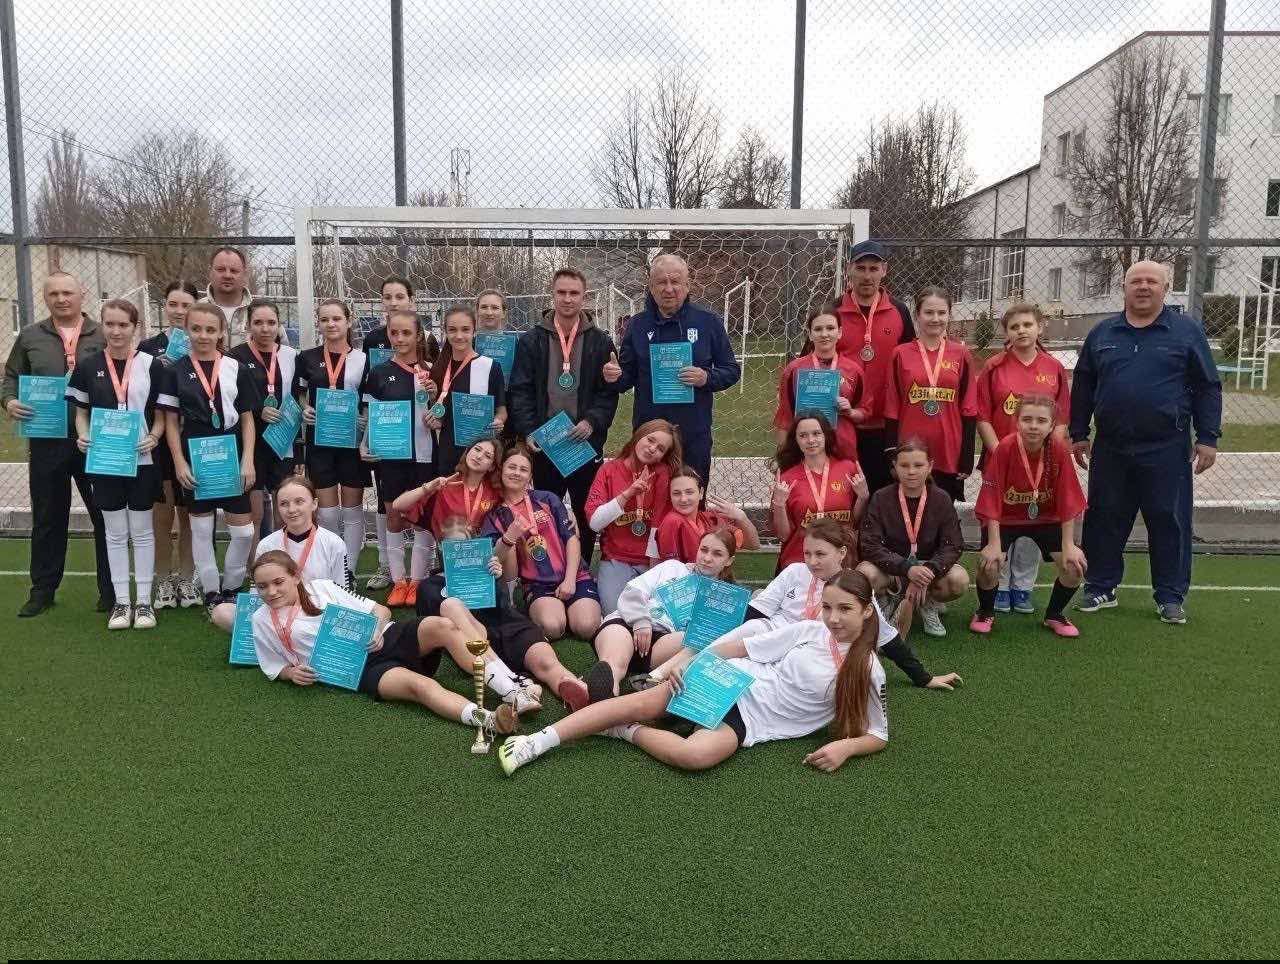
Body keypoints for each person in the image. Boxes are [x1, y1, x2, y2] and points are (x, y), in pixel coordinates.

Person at [499, 569, 889, 776]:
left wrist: (845, 747)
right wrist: (689, 661)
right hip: (730, 681)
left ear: (867, 610)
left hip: (754, 721)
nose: (833, 618)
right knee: (642, 703)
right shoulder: (810, 630)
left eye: (845, 609)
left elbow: (878, 734)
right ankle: (535, 742)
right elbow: (742, 647)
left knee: (695, 755)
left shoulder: (870, 669)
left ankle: (622, 731)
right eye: (827, 608)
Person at [1070, 260, 1221, 625]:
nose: (1143, 286)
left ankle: (1170, 595)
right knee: (1105, 517)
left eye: (1152, 281)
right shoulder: (1102, 333)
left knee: (1169, 520)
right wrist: (1078, 433)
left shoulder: (1186, 332)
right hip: (1112, 447)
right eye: (1135, 281)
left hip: (1167, 447)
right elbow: (1084, 385)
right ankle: (1101, 587)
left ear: (1165, 288)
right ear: (1124, 288)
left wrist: (1208, 437)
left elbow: (1207, 386)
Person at [646, 519, 960, 692]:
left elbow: (887, 638)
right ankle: (661, 677)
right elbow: (757, 612)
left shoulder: (852, 586)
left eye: (820, 554)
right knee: (750, 628)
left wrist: (924, 677)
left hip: (804, 653)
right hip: (769, 636)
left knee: (742, 676)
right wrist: (719, 629)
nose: (812, 561)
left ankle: (678, 686)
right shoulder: (794, 572)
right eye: (808, 553)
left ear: (841, 553)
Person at [248, 550, 517, 737]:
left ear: (296, 576)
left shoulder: (322, 588)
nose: (271, 591)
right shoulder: (261, 619)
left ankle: (511, 691)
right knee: (420, 687)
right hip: (360, 670)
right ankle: (489, 720)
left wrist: (376, 631)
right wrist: (291, 673)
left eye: (278, 582)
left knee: (443, 626)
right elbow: (274, 665)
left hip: (387, 637)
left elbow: (381, 610)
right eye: (262, 586)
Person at [3, 271, 114, 617]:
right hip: (46, 440)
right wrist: (9, 401)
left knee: (104, 515)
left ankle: (110, 592)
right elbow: (11, 377)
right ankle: (42, 591)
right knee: (48, 517)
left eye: (68, 292)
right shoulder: (30, 336)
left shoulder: (103, 333)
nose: (61, 299)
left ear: (82, 294)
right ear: (45, 297)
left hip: (93, 440)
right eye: (54, 294)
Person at [508, 268, 619, 564]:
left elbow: (608, 394)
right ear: (552, 294)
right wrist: (529, 430)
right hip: (546, 445)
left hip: (583, 444)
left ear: (584, 297)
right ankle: (548, 569)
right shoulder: (532, 340)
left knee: (585, 511)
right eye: (561, 292)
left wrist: (592, 421)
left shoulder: (601, 342)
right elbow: (520, 390)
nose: (567, 299)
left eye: (574, 293)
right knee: (545, 510)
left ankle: (581, 567)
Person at [67, 300, 166, 630]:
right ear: (102, 326)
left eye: (123, 324)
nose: (116, 331)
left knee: (142, 531)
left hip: (142, 459)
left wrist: (154, 436)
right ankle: (122, 603)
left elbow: (162, 415)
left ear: (135, 327)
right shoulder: (88, 365)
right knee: (114, 532)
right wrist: (83, 436)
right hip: (105, 460)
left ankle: (144, 603)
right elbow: (81, 413)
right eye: (110, 324)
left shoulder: (152, 365)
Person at [410, 512, 564, 715]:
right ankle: (513, 683)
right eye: (452, 547)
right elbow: (437, 629)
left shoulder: (485, 570)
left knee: (545, 661)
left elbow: (504, 609)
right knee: (452, 607)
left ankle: (572, 686)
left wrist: (496, 578)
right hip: (475, 641)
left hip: (505, 627)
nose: (460, 553)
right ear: (441, 547)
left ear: (472, 545)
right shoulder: (429, 586)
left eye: (464, 546)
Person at [159, 303, 259, 613]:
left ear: (221, 332)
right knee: (201, 531)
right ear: (186, 330)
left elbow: (247, 419)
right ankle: (212, 591)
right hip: (196, 453)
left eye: (210, 329)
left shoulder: (236, 368)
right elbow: (171, 422)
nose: (203, 335)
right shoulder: (174, 370)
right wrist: (179, 462)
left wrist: (248, 460)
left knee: (243, 532)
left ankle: (233, 586)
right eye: (196, 329)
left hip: (231, 453)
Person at [610, 253, 741, 488]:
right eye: (661, 282)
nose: (669, 289)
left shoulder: (708, 322)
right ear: (651, 287)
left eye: (675, 281)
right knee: (648, 496)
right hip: (649, 434)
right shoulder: (637, 325)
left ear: (687, 285)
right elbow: (626, 379)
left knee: (690, 496)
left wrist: (706, 377)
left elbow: (731, 370)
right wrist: (614, 376)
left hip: (693, 432)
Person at [975, 303, 1072, 615]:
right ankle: (1000, 586)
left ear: (1040, 327)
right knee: (1001, 520)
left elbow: (1061, 419)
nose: (1021, 331)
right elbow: (982, 415)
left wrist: (1050, 454)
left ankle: (1023, 587)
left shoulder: (1053, 367)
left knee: (1035, 519)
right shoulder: (994, 366)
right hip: (1002, 461)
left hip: (1041, 464)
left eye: (1027, 324)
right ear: (1007, 332)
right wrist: (999, 454)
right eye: (1014, 326)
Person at [581, 527, 739, 703]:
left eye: (717, 554)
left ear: (729, 560)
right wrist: (641, 621)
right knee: (613, 664)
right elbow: (633, 591)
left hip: (663, 641)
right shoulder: (673, 567)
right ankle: (604, 692)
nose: (707, 558)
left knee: (695, 639)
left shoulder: (726, 598)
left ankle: (651, 678)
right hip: (627, 623)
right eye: (704, 550)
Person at [973, 396, 1088, 637]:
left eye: (1041, 421)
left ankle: (1054, 615)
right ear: (1017, 422)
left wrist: (1069, 544)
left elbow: (1068, 499)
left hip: (1045, 519)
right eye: (1027, 419)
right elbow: (992, 498)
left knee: (1074, 566)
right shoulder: (1005, 448)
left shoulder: (1058, 449)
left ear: (1052, 424)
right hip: (1006, 519)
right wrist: (993, 544)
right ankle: (985, 611)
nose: (1034, 426)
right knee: (989, 564)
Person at [361, 276, 440, 592]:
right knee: (393, 514)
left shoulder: (433, 371)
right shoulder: (379, 373)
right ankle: (398, 581)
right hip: (391, 455)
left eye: (406, 333)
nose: (399, 339)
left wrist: (436, 404)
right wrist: (364, 444)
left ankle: (418, 579)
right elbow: (370, 415)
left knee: (421, 516)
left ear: (419, 335)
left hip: (426, 455)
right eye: (394, 333)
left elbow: (443, 415)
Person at [483, 442, 603, 643]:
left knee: (586, 627)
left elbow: (571, 539)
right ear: (502, 470)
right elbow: (495, 557)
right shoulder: (494, 514)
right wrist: (509, 536)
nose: (517, 473)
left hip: (574, 576)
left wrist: (569, 580)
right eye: (512, 467)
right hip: (537, 583)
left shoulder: (547, 498)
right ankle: (550, 610)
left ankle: (576, 607)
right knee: (553, 627)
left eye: (523, 469)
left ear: (530, 476)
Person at [828, 240, 916, 494]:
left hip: (885, 424)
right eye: (861, 268)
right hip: (842, 422)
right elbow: (813, 362)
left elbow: (911, 363)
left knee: (882, 495)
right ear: (849, 269)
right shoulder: (833, 311)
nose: (867, 276)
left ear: (884, 270)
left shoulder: (899, 311)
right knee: (843, 494)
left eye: (873, 268)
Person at [858, 440, 970, 638]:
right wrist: (906, 568)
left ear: (930, 466)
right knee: (864, 573)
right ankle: (888, 598)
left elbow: (953, 545)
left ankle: (928, 603)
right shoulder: (881, 497)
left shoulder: (941, 498)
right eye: (904, 465)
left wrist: (929, 570)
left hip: (928, 567)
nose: (911, 471)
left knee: (959, 579)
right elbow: (869, 544)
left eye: (918, 465)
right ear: (895, 467)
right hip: (892, 568)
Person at [208, 475, 348, 632]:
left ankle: (283, 639)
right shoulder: (266, 544)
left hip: (315, 616)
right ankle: (275, 636)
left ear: (314, 504)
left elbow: (342, 594)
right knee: (222, 612)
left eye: (299, 502)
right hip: (276, 614)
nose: (292, 510)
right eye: (284, 504)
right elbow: (256, 594)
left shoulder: (333, 543)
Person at [294, 299, 371, 579]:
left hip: (352, 443)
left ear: (348, 321)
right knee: (327, 513)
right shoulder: (306, 357)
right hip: (320, 442)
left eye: (336, 318)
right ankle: (330, 571)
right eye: (325, 319)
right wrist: (305, 409)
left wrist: (365, 418)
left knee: (352, 511)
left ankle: (349, 572)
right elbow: (299, 394)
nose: (331, 324)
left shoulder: (363, 359)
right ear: (319, 323)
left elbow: (369, 398)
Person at [138, 281, 200, 611]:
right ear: (164, 306)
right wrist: (156, 369)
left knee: (191, 514)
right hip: (157, 439)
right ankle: (163, 579)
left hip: (194, 441)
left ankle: (187, 577)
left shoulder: (203, 345)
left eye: (186, 305)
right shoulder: (147, 348)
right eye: (173, 304)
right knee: (161, 514)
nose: (179, 311)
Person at [883, 287, 977, 502]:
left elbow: (969, 406)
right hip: (910, 450)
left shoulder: (961, 354)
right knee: (909, 511)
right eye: (929, 312)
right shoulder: (900, 354)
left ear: (949, 315)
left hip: (948, 449)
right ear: (917, 315)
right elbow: (892, 405)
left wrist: (966, 455)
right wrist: (891, 451)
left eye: (942, 313)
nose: (935, 319)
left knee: (943, 510)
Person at [585, 419, 683, 613]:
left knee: (654, 613)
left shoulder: (662, 473)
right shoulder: (609, 470)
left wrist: (655, 569)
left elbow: (658, 524)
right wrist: (627, 494)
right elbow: (595, 523)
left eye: (661, 449)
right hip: (615, 558)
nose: (652, 448)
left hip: (649, 561)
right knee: (614, 612)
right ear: (639, 435)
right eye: (650, 440)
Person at [392, 438, 502, 604]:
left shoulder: (495, 492)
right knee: (456, 535)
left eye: (487, 456)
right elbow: (397, 505)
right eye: (477, 449)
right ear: (468, 452)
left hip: (484, 561)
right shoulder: (445, 486)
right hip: (451, 557)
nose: (479, 456)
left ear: (492, 466)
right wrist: (428, 487)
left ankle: (503, 598)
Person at [228, 299, 299, 560]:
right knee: (255, 513)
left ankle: (286, 564)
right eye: (258, 322)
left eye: (271, 322)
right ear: (248, 325)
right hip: (251, 442)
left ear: (279, 325)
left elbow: (299, 396)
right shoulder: (235, 357)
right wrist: (259, 409)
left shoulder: (291, 356)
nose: (265, 328)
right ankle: (255, 569)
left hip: (282, 441)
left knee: (286, 511)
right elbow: (229, 398)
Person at [770, 415, 867, 573]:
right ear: (795, 440)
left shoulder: (848, 469)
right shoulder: (787, 478)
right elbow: (783, 536)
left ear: (826, 435)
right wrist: (779, 505)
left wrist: (863, 498)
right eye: (803, 435)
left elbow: (855, 523)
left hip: (842, 560)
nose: (810, 440)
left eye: (816, 433)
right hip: (802, 562)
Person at [423, 305, 506, 476]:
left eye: (465, 329)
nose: (459, 336)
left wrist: (499, 421)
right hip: (448, 452)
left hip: (480, 454)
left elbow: (501, 410)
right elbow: (439, 412)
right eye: (452, 330)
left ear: (474, 331)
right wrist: (434, 414)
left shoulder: (490, 367)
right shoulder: (438, 369)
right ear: (445, 332)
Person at [774, 309, 866, 461]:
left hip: (842, 450)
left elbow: (865, 411)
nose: (824, 334)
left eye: (830, 328)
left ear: (839, 332)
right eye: (818, 329)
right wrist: (782, 459)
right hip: (804, 451)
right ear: (810, 334)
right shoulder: (794, 370)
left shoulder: (854, 370)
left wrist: (850, 412)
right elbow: (784, 418)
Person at [655, 465, 760, 563]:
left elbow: (753, 545)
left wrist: (742, 517)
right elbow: (672, 570)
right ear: (670, 496)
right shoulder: (672, 522)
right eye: (676, 493)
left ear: (701, 493)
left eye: (689, 492)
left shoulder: (710, 519)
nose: (683, 499)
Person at [200, 247, 253, 339]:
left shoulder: (259, 312)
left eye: (234, 271)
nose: (227, 275)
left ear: (244, 274)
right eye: (220, 269)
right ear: (210, 272)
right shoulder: (195, 309)